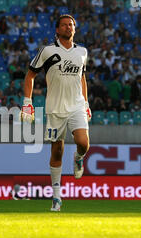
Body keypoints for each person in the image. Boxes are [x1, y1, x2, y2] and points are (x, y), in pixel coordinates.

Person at [21, 14, 91, 212]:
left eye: (71, 25)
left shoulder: (82, 52)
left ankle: (78, 158)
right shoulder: (47, 50)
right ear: (57, 30)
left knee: (83, 142)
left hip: (76, 105)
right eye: (64, 25)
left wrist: (86, 103)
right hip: (55, 108)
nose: (69, 27)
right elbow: (30, 75)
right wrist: (28, 103)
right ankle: (56, 197)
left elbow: (82, 78)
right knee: (57, 151)